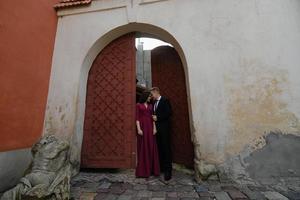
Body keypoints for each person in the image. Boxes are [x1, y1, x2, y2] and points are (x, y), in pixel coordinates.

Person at [135, 91, 160, 178]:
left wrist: (154, 128)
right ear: (145, 96)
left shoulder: (151, 106)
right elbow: (137, 118)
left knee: (151, 147)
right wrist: (138, 129)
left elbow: (152, 118)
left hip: (150, 127)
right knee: (143, 147)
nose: (150, 98)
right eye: (149, 96)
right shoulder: (138, 105)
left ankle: (152, 169)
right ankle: (143, 171)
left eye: (150, 97)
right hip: (142, 127)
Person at [150, 87, 173, 181]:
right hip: (157, 130)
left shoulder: (165, 100)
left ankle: (168, 171)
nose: (151, 97)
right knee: (159, 148)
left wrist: (158, 118)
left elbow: (169, 113)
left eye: (152, 94)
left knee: (166, 149)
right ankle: (161, 168)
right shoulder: (154, 103)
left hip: (164, 129)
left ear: (156, 92)